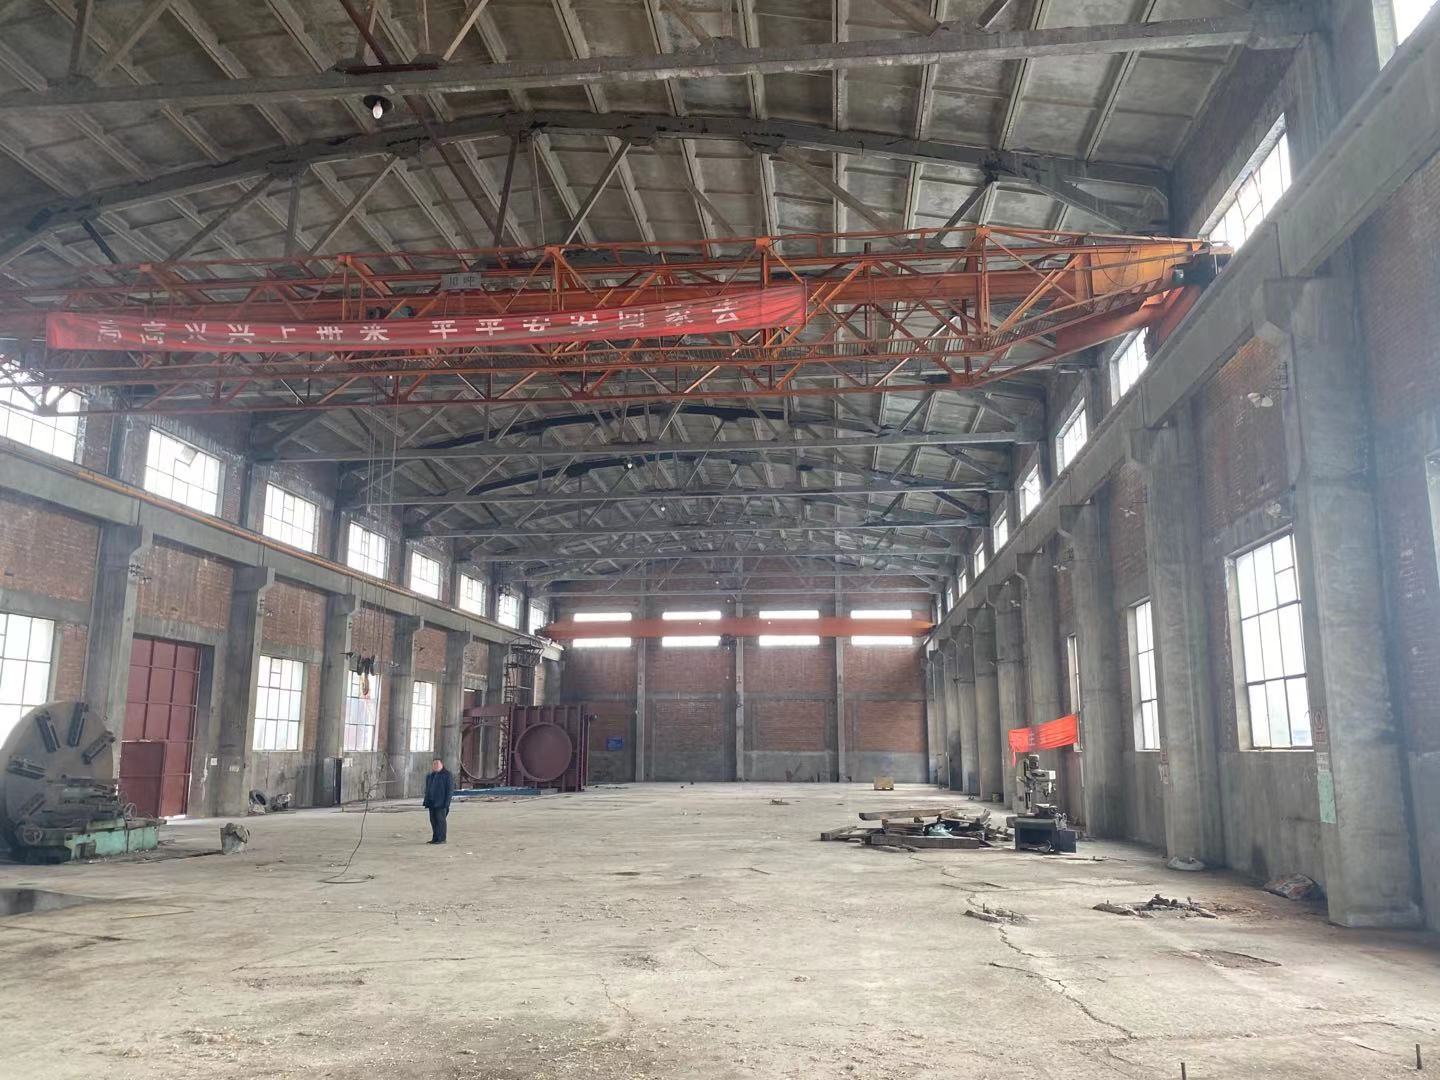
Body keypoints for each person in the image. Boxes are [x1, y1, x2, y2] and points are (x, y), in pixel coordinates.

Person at [423, 758, 454, 845]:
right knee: (433, 821)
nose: (435, 765)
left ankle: (442, 839)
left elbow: (450, 790)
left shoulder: (447, 775)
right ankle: (435, 838)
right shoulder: (430, 776)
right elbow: (427, 789)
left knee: (441, 821)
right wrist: (426, 800)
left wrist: (447, 803)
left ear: (442, 765)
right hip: (431, 802)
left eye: (437, 764)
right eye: (434, 764)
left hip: (441, 803)